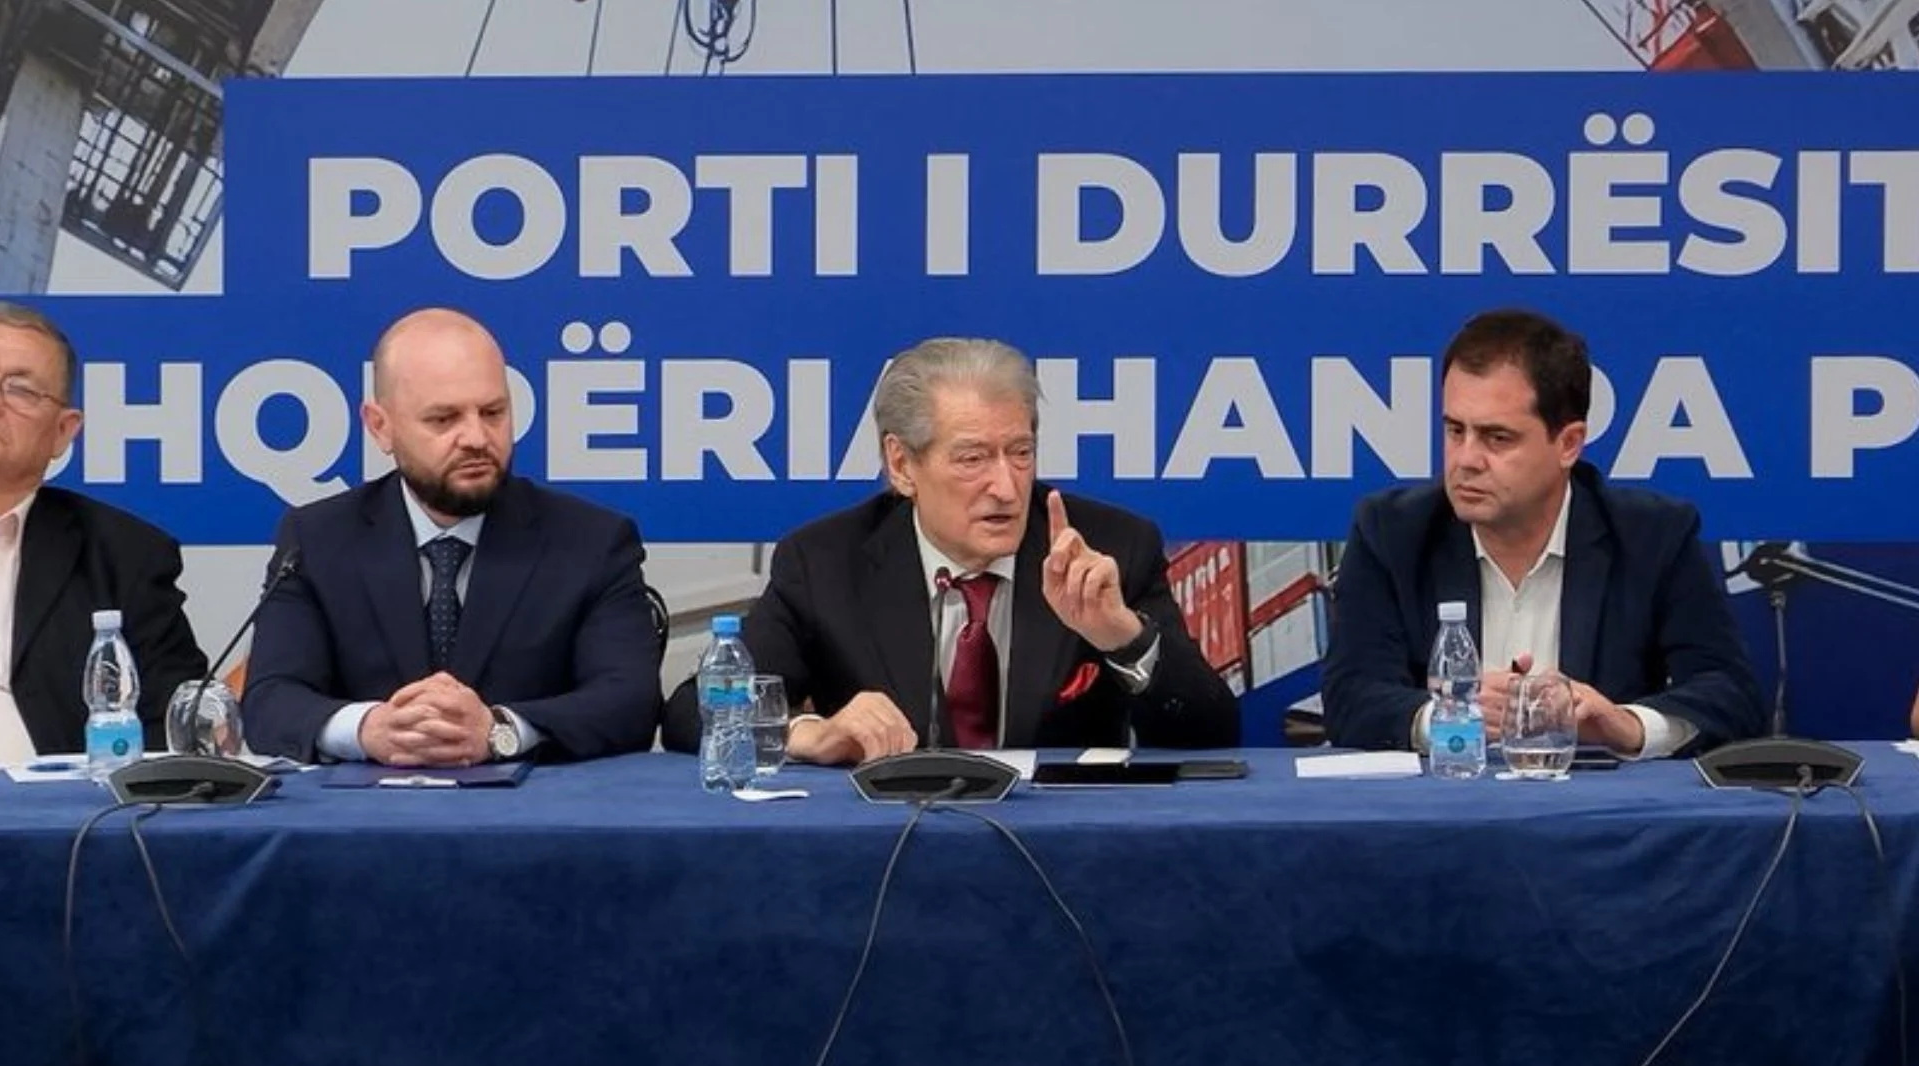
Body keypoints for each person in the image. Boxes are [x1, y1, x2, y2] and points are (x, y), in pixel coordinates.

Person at [661, 336, 1239, 763]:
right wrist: (805, 732)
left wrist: (1123, 638)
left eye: (1020, 452)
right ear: (902, 465)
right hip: (883, 851)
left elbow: (1211, 733)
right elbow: (691, 713)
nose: (1006, 487)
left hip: (1065, 854)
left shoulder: (1110, 548)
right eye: (972, 458)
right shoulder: (826, 563)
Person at [1322, 309, 1765, 758]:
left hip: (1596, 801)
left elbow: (1732, 695)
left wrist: (1624, 725)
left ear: (1568, 444)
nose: (1466, 459)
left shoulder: (1653, 537)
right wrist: (1446, 717)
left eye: (1497, 438)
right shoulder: (1392, 532)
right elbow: (1351, 698)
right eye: (1455, 431)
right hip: (1441, 797)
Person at [244, 308, 661, 765]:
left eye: (493, 412)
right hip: (365, 806)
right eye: (444, 419)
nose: (477, 438)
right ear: (381, 426)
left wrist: (500, 730)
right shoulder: (316, 540)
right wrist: (369, 729)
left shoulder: (592, 542)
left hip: (535, 806)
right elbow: (270, 701)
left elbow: (630, 703)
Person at [0, 302, 206, 758]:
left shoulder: (124, 555)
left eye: (20, 390)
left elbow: (171, 729)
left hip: (53, 801)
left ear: (63, 431)